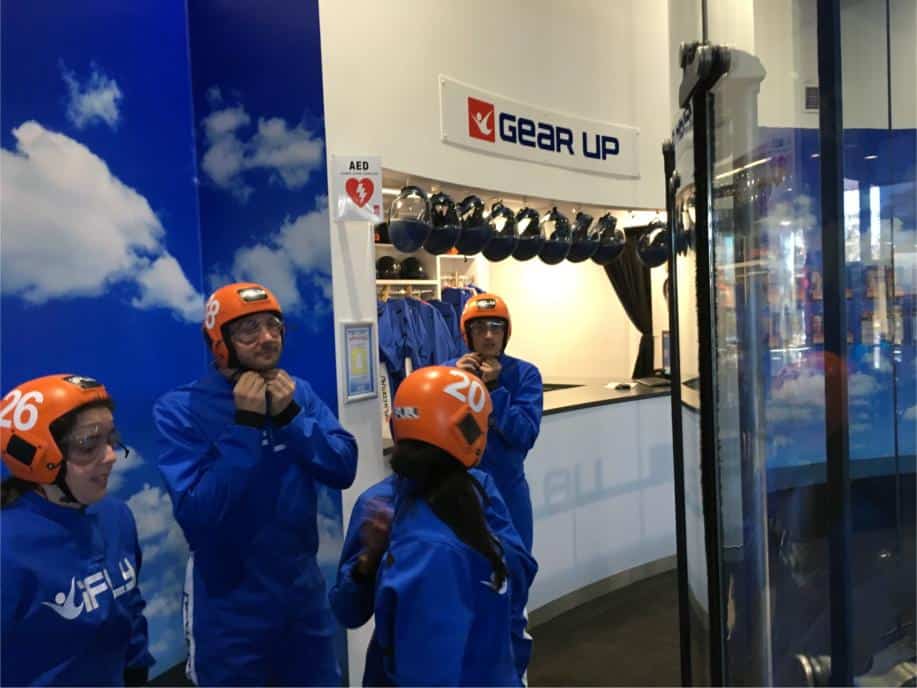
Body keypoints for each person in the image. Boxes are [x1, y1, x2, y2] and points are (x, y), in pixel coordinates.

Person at [153, 282, 358, 686]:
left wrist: (292, 418)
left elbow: (343, 468)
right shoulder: (180, 410)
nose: (266, 338)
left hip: (303, 597)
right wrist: (245, 425)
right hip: (229, 607)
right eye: (249, 330)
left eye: (273, 325)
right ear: (219, 342)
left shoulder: (297, 392)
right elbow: (199, 513)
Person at [329, 404, 538, 684]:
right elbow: (348, 611)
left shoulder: (480, 488)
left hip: (486, 661)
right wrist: (368, 562)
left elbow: (519, 572)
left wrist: (475, 540)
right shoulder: (379, 505)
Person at [1, 374, 154, 686]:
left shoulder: (116, 515)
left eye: (110, 438)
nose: (110, 456)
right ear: (39, 457)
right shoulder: (7, 552)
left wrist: (136, 666)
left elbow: (128, 606)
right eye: (88, 444)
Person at [444, 293, 543, 551]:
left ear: (505, 333)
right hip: (459, 492)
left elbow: (524, 435)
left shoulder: (525, 374)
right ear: (467, 334)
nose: (488, 335)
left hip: (508, 491)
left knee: (514, 567)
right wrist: (456, 385)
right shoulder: (447, 374)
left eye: (495, 327)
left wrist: (495, 389)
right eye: (479, 328)